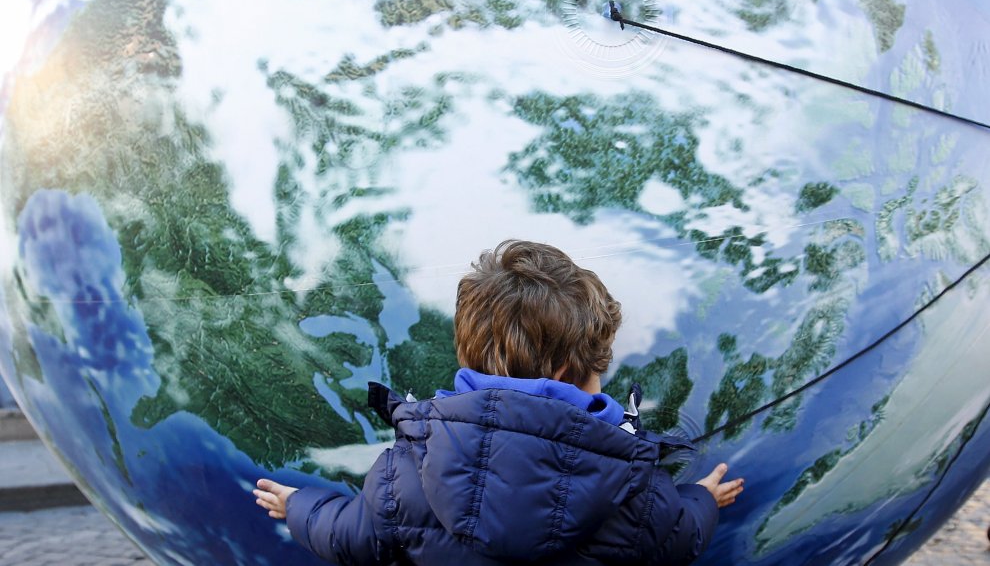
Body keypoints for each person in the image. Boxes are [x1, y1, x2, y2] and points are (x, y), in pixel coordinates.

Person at [254, 239, 744, 565]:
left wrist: (299, 505)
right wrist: (705, 497)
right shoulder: (639, 492)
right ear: (565, 377)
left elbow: (348, 536)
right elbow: (682, 537)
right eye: (599, 371)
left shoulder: (403, 475)